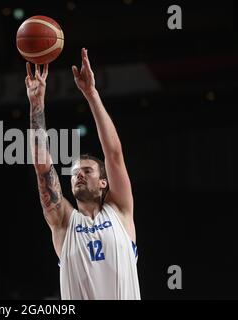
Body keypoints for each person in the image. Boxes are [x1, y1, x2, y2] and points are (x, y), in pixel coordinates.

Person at [25, 48, 140, 300]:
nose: (77, 175)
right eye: (74, 172)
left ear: (102, 182)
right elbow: (43, 167)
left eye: (86, 171)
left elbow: (114, 154)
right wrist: (36, 104)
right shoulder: (64, 222)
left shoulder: (120, 211)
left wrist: (91, 94)